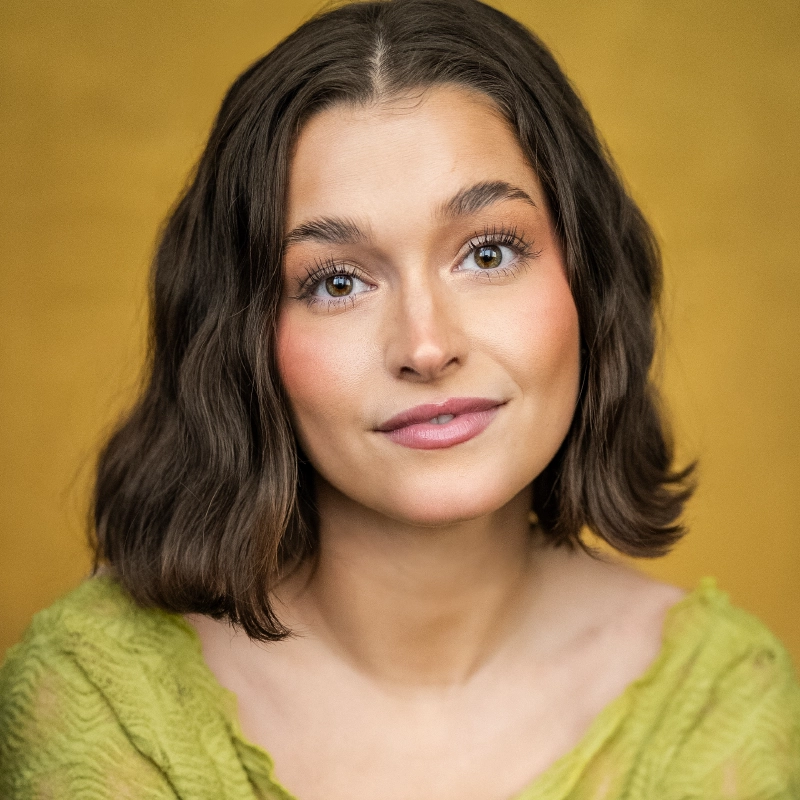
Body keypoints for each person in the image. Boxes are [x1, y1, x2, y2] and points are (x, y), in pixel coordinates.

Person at [1, 0, 798, 797]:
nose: (425, 346)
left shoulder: (722, 699)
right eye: (337, 282)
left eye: (489, 253)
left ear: (588, 281)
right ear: (239, 338)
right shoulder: (95, 698)